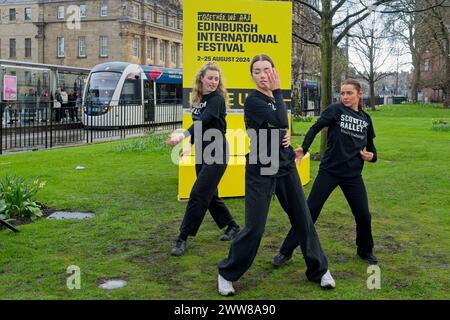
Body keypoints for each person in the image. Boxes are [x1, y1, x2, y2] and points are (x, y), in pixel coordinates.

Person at [217, 54, 335, 296]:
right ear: (252, 76)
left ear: (274, 70)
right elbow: (280, 120)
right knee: (255, 228)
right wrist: (279, 92)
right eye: (257, 71)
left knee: (303, 218)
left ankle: (319, 270)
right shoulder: (253, 101)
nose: (263, 75)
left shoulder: (274, 99)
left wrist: (284, 133)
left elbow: (282, 128)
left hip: (285, 165)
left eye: (267, 70)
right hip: (262, 167)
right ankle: (226, 273)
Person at [272, 78, 379, 267]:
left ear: (359, 95)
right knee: (309, 212)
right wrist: (304, 148)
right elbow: (315, 128)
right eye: (342, 93)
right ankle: (285, 251)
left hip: (353, 175)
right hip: (330, 171)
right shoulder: (335, 110)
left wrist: (371, 156)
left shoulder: (366, 120)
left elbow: (372, 149)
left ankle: (365, 250)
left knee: (363, 215)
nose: (345, 97)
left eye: (349, 93)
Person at [166, 62, 241, 256]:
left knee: (198, 193)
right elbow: (198, 125)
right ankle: (232, 226)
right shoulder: (199, 100)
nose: (213, 82)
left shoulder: (216, 100)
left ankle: (182, 237)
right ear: (201, 79)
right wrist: (189, 146)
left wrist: (182, 136)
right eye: (210, 78)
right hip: (202, 150)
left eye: (216, 79)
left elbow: (203, 122)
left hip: (217, 150)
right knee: (210, 194)